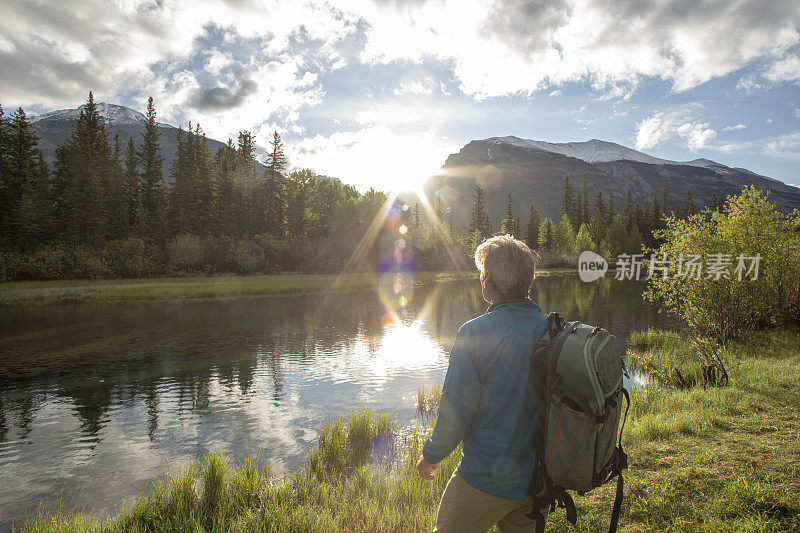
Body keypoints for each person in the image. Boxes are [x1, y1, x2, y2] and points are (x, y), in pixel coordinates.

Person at [416, 234, 548, 533]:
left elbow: (455, 413)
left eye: (481, 273)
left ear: (488, 278)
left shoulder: (474, 333)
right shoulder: (553, 329)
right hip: (535, 482)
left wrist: (431, 455)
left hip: (483, 479)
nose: (481, 279)